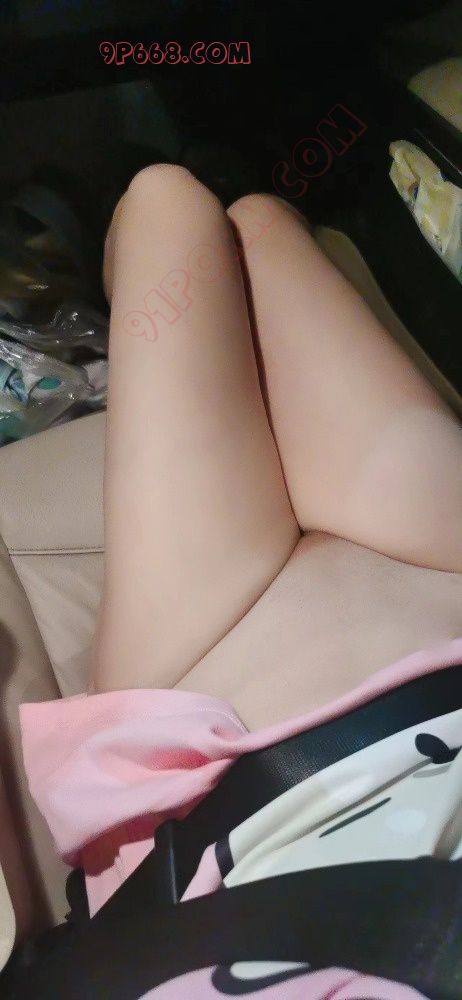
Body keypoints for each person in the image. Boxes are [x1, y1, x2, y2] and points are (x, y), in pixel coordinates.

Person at [19, 165, 462, 998]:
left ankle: (113, 254)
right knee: (252, 219)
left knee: (170, 203)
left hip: (219, 719)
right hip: (444, 589)